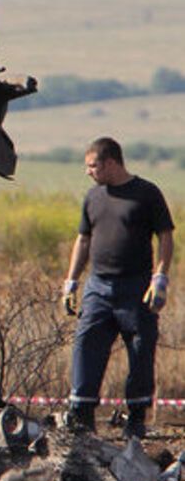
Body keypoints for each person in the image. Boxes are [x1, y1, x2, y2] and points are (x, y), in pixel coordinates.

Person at [62, 137, 174, 437]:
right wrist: (71, 281)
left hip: (136, 286)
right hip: (98, 287)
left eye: (92, 165)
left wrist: (160, 278)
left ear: (111, 162)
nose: (88, 172)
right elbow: (83, 239)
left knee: (140, 349)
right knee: (86, 345)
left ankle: (136, 418)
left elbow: (165, 235)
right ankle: (81, 416)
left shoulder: (146, 194)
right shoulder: (93, 197)